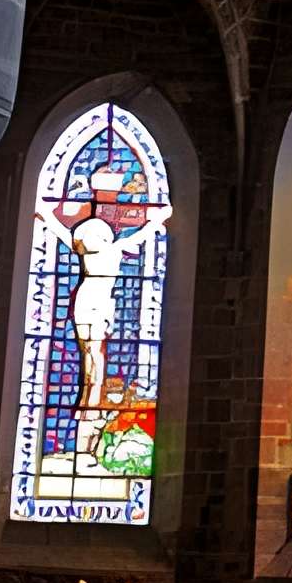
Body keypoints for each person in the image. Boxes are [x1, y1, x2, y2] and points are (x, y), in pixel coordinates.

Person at [54, 166, 169, 416]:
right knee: (93, 353)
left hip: (93, 302)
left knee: (93, 353)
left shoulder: (97, 248)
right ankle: (90, 400)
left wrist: (45, 217)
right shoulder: (110, 250)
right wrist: (159, 219)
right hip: (92, 302)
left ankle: (90, 399)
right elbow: (142, 234)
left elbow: (62, 232)